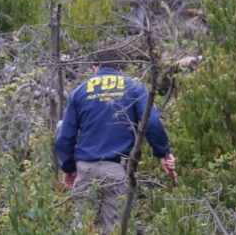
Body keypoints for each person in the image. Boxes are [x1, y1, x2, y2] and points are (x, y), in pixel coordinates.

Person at [55, 50, 177, 234]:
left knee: (85, 228)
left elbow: (65, 137)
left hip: (85, 168)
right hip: (117, 169)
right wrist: (163, 153)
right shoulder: (134, 87)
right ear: (121, 69)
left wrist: (69, 167)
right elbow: (151, 122)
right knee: (115, 228)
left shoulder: (80, 91)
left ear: (96, 67)